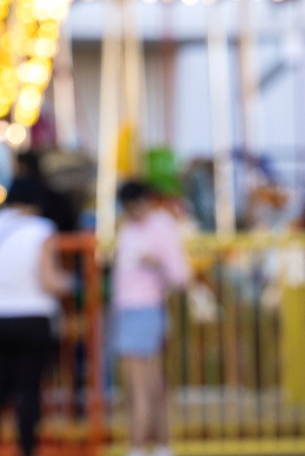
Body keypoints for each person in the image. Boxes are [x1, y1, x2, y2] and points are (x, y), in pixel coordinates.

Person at [0, 176, 69, 456]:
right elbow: (49, 281)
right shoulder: (41, 229)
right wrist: (72, 283)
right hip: (32, 318)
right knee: (29, 391)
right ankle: (27, 449)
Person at [113, 179, 190, 456]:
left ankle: (139, 447)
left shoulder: (157, 227)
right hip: (139, 310)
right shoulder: (134, 228)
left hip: (142, 310)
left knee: (140, 389)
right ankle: (160, 446)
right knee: (152, 386)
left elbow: (180, 274)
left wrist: (154, 263)